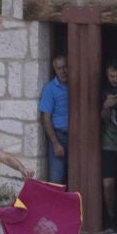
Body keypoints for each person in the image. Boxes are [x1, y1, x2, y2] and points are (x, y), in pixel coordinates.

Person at [101, 63, 117, 233]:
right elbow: (102, 119)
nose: (115, 80)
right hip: (108, 145)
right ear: (107, 75)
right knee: (108, 183)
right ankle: (110, 218)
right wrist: (106, 106)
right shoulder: (102, 93)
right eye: (112, 76)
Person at [39, 55, 70, 186]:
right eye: (59, 68)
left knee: (78, 178)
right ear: (54, 69)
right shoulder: (50, 89)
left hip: (77, 139)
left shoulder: (76, 85)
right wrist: (56, 143)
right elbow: (46, 118)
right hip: (59, 137)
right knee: (56, 180)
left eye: (65, 67)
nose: (62, 71)